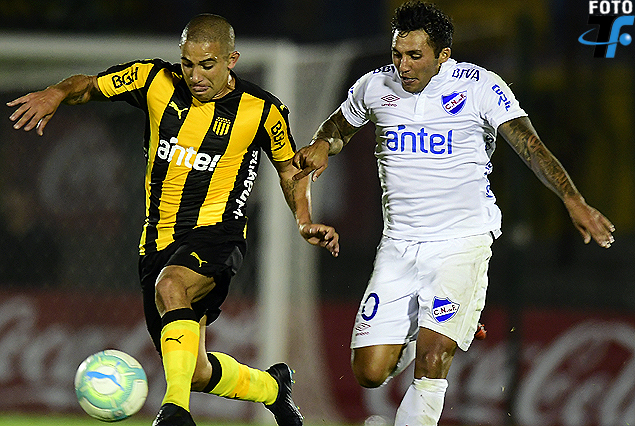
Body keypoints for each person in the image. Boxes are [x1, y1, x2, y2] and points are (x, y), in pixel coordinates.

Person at [8, 13, 339, 426]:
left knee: (171, 285)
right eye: (187, 63)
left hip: (218, 233)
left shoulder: (261, 110)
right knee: (193, 371)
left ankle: (175, 413)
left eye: (207, 65)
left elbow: (290, 169)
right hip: (157, 241)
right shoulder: (153, 80)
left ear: (231, 60)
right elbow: (89, 85)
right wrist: (56, 93)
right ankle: (273, 388)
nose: (195, 76)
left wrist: (304, 220)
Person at [292, 2, 615, 425]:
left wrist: (572, 200)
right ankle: (446, 323)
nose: (403, 66)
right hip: (399, 245)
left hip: (461, 242)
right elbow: (338, 126)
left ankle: (444, 330)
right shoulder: (374, 85)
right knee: (369, 372)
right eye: (397, 54)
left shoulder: (479, 85)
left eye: (415, 56)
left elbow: (530, 146)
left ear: (443, 55)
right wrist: (322, 144)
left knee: (433, 356)